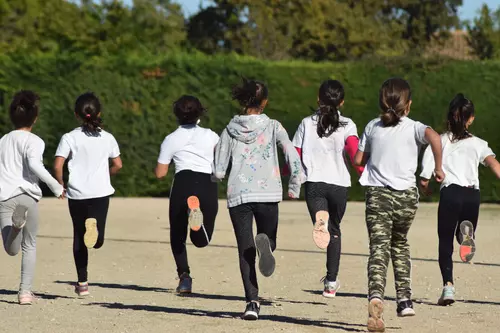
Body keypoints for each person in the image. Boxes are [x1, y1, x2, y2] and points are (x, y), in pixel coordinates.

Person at [354, 78, 444, 332]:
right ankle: (404, 300)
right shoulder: (415, 127)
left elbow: (359, 158)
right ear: (409, 105)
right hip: (406, 197)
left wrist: (360, 156)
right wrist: (438, 167)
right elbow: (435, 138)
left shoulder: (372, 126)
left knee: (378, 248)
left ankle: (375, 297)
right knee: (400, 243)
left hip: (378, 195)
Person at [214, 78, 303, 320]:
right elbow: (291, 155)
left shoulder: (229, 128)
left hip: (239, 193)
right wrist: (295, 184)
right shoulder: (274, 126)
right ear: (265, 102)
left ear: (242, 101)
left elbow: (220, 166)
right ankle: (267, 246)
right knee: (268, 238)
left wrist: (217, 176)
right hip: (268, 192)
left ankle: (251, 302)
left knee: (245, 248)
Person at [420, 93, 500, 306]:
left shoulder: (440, 140)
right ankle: (466, 233)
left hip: (451, 193)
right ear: (471, 119)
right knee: (464, 232)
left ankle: (448, 287)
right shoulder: (479, 143)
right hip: (472, 195)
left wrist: (425, 184)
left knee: (445, 241)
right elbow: (494, 164)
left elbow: (425, 173)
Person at [292, 80, 364, 298]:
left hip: (314, 183)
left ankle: (319, 220)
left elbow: (294, 152)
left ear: (318, 98)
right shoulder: (348, 124)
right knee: (335, 230)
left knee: (322, 220)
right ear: (342, 102)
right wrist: (364, 173)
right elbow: (354, 152)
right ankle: (331, 282)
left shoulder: (306, 123)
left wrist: (287, 173)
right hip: (339, 184)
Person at [54, 92, 122, 297]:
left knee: (78, 237)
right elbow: (118, 164)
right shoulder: (108, 137)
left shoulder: (69, 137)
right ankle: (97, 232)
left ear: (76, 115)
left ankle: (82, 283)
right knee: (96, 237)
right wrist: (106, 174)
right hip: (100, 192)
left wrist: (60, 183)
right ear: (99, 113)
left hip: (77, 194)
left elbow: (58, 165)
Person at [0, 90, 65, 305]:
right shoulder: (35, 141)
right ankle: (25, 293)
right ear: (35, 118)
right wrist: (56, 187)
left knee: (11, 249)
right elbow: (35, 165)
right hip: (27, 196)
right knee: (30, 245)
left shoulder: (3, 141)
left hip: (4, 197)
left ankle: (15, 229)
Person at [155, 95, 219, 294]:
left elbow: (160, 173)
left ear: (177, 115)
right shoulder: (212, 136)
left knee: (177, 234)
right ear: (200, 113)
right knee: (202, 240)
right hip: (207, 184)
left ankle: (184, 278)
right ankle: (197, 226)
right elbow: (221, 165)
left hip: (183, 183)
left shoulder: (171, 139)